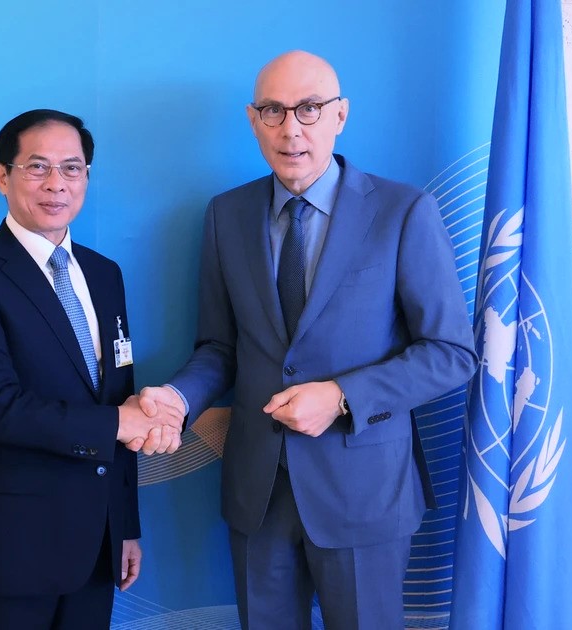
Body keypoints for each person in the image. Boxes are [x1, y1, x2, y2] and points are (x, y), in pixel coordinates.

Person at [140, 51, 478, 629]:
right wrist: (178, 398)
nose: (290, 128)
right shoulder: (226, 215)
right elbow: (219, 348)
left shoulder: (402, 211)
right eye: (273, 110)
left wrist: (342, 396)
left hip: (364, 491)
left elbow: (451, 353)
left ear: (340, 115)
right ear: (253, 120)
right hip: (258, 492)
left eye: (309, 109)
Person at [0, 109, 182, 629]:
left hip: (96, 544)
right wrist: (119, 422)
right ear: (3, 176)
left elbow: (121, 395)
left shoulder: (105, 274)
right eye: (37, 167)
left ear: (86, 176)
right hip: (3, 546)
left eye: (71, 168)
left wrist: (124, 525)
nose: (56, 184)